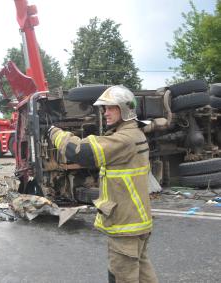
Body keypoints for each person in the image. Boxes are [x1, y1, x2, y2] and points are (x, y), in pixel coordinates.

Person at [48, 85, 158, 283]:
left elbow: (80, 152)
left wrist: (55, 133)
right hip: (137, 220)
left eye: (110, 108)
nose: (105, 112)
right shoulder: (134, 133)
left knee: (123, 276)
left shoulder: (124, 139)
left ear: (125, 109)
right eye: (104, 108)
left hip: (126, 224)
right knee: (142, 273)